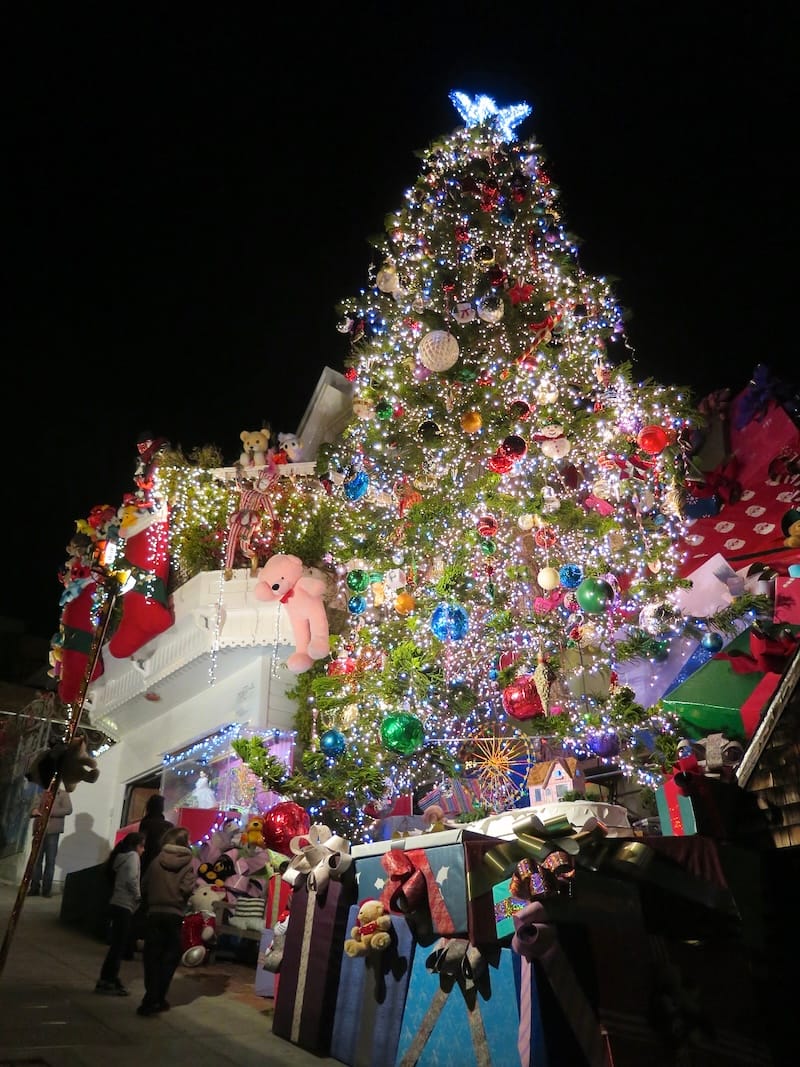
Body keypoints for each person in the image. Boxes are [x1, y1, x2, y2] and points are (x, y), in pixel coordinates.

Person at [137, 825, 195, 1017]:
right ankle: (159, 997)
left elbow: (144, 885)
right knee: (169, 957)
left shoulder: (156, 861)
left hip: (154, 912)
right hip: (174, 914)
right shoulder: (188, 864)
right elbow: (187, 889)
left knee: (151, 956)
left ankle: (149, 996)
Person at [95, 832, 145, 996]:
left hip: (116, 902)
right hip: (125, 905)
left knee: (116, 945)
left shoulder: (119, 858)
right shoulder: (133, 857)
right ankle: (108, 979)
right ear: (136, 846)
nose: (143, 850)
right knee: (118, 946)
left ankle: (108, 978)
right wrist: (138, 896)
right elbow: (132, 878)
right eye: (142, 846)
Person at [29, 786, 73, 897]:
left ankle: (46, 890)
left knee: (50, 861)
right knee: (35, 860)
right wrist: (33, 810)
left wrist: (49, 811)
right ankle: (34, 888)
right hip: (39, 830)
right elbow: (32, 808)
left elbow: (68, 809)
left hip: (53, 831)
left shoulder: (62, 794)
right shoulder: (41, 793)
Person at [138, 794, 174, 875]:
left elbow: (142, 843)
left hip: (147, 862)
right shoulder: (169, 826)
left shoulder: (145, 823)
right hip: (164, 863)